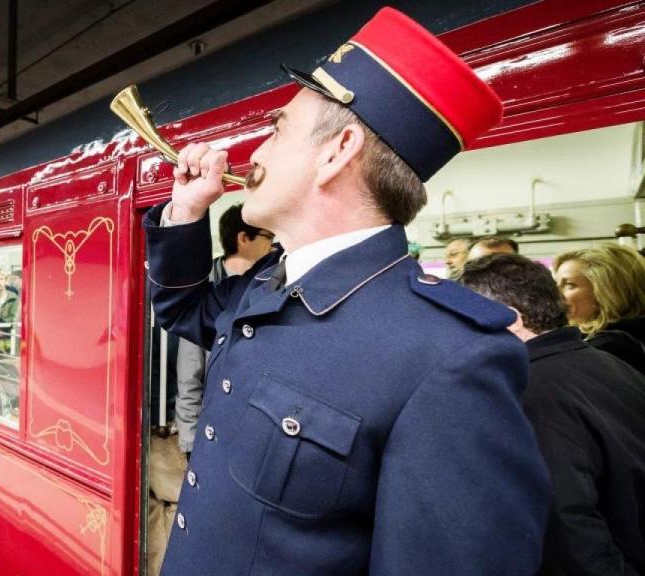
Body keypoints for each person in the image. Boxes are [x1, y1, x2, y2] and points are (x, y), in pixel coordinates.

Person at [143, 8, 548, 575]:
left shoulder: (453, 359)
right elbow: (183, 309)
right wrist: (184, 212)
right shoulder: (269, 283)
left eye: (277, 130)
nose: (254, 155)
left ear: (337, 152)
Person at [459, 253, 645, 575]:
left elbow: (565, 524)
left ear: (511, 318)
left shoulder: (529, 392)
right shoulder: (610, 365)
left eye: (464, 317)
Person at [146, 204, 273, 575]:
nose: (274, 246)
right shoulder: (215, 288)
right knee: (171, 510)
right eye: (268, 237)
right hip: (181, 429)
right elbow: (189, 373)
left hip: (196, 428)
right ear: (244, 237)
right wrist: (189, 438)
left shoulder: (239, 283)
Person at [553, 244, 645, 375]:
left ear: (609, 292)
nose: (553, 293)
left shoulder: (607, 349)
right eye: (556, 283)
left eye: (569, 285)